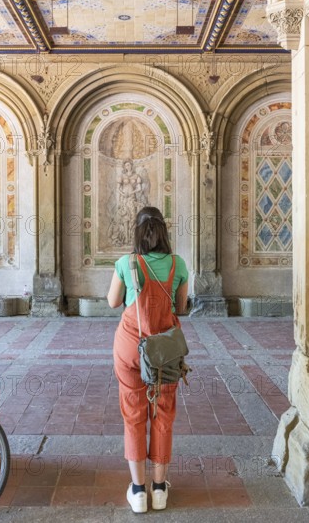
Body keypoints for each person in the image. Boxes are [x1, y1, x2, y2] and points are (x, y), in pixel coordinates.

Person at [107, 206, 188, 513]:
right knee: (163, 415)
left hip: (130, 348)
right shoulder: (178, 264)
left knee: (133, 415)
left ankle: (138, 491)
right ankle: (160, 489)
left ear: (137, 233)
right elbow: (180, 306)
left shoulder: (126, 263)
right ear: (163, 232)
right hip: (164, 352)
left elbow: (113, 301)